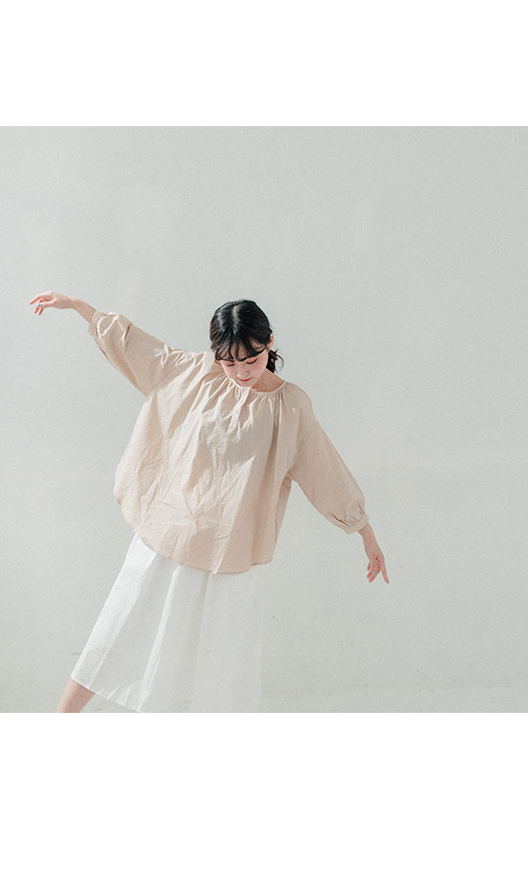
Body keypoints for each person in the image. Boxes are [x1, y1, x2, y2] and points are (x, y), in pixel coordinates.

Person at [30, 290, 389, 713]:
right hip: (170, 536)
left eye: (251, 360)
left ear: (270, 342)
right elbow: (134, 347)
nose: (240, 372)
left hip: (234, 553)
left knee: (224, 670)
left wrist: (363, 531)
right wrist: (79, 307)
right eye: (229, 361)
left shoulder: (290, 407)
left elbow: (323, 469)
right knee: (117, 632)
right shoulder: (194, 372)